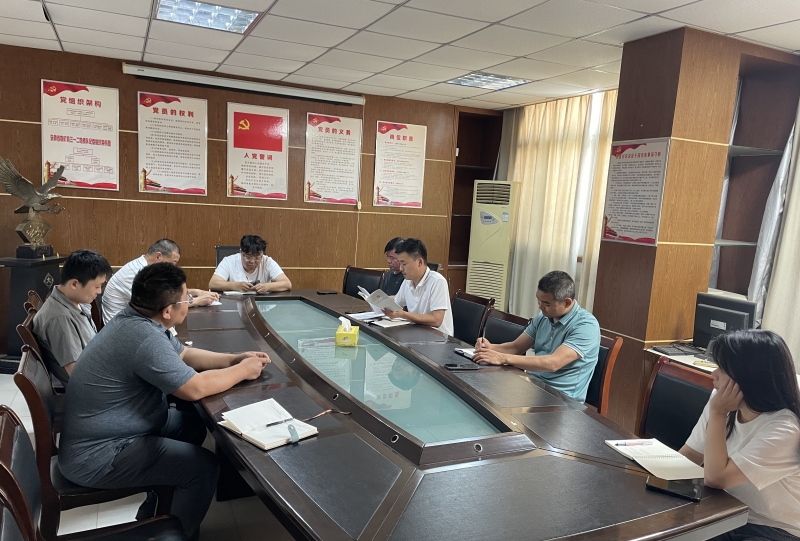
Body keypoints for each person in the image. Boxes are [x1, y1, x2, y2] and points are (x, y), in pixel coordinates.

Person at [59, 263, 270, 540]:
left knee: (192, 425)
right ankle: (173, 534)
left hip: (114, 429)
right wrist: (243, 371)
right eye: (187, 299)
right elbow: (194, 388)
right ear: (168, 310)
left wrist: (234, 359)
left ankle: (158, 507)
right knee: (203, 469)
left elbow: (183, 355)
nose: (189, 303)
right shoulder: (144, 337)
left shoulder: (136, 319)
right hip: (99, 455)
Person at [679, 330, 800, 541]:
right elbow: (689, 455)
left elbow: (717, 479)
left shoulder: (784, 428)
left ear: (749, 377)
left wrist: (718, 413)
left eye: (723, 369)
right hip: (725, 513)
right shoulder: (721, 400)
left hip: (772, 528)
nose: (713, 374)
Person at [472, 271, 600, 402]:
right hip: (533, 386)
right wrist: (490, 348)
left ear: (567, 302)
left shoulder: (586, 326)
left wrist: (502, 358)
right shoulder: (544, 317)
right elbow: (516, 347)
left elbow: (553, 363)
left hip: (561, 399)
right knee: (480, 390)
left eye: (547, 303)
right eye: (538, 299)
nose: (540, 306)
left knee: (491, 400)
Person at [32, 249, 112, 385]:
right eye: (97, 286)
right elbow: (78, 374)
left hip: (100, 371)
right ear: (74, 284)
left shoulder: (75, 302)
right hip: (93, 388)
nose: (99, 292)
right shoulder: (60, 319)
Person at [102, 238, 218, 323]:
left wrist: (196, 292)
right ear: (158, 256)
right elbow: (160, 303)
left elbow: (164, 292)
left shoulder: (144, 267)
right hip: (121, 326)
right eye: (173, 262)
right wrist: (196, 301)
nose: (173, 267)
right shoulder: (137, 273)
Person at [381, 238, 453, 336]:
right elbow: (397, 300)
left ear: (419, 262)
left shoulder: (437, 281)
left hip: (438, 337)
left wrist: (404, 314)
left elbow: (436, 320)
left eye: (404, 264)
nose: (401, 268)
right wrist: (380, 300)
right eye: (400, 263)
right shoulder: (408, 281)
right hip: (417, 332)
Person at [209, 234, 291, 293]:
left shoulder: (267, 262)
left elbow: (287, 284)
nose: (252, 261)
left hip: (261, 305)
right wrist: (237, 286)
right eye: (248, 257)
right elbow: (213, 284)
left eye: (257, 258)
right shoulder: (229, 261)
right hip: (234, 305)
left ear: (262, 254)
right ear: (241, 252)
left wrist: (267, 287)